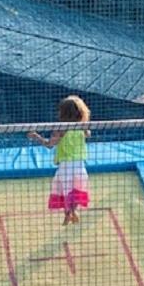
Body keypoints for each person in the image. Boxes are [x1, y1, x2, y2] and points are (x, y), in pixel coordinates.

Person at [28, 95, 90, 225]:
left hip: (65, 167)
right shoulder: (83, 128)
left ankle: (68, 214)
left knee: (65, 191)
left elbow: (49, 144)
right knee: (76, 191)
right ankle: (73, 211)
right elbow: (88, 134)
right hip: (80, 167)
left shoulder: (61, 128)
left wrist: (36, 137)